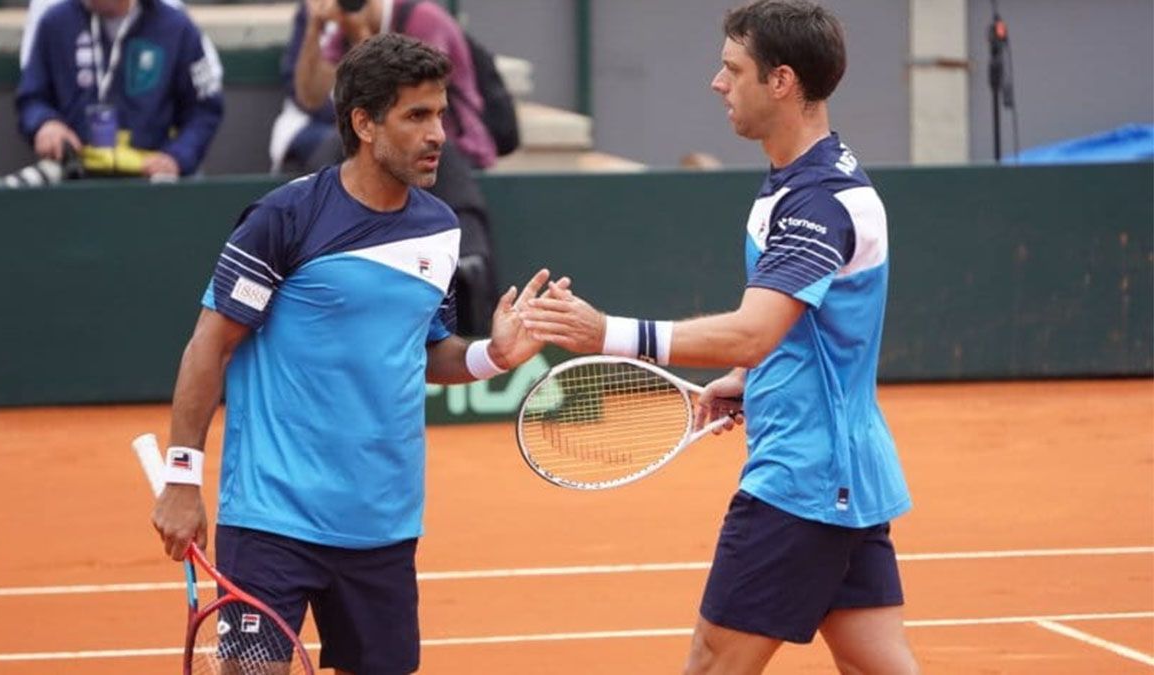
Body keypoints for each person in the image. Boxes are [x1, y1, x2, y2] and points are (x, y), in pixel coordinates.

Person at [520, 2, 919, 673]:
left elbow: (754, 330)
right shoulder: (804, 180)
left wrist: (605, 332)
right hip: (840, 471)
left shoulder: (818, 200)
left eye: (733, 69)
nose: (717, 82)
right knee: (873, 662)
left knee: (712, 661)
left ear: (781, 81)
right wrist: (750, 380)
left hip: (803, 479)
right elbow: (800, 331)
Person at [151, 34, 561, 674]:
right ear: (364, 123)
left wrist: (493, 356)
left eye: (441, 114)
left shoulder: (440, 228)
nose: (438, 134)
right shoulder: (284, 218)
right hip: (273, 516)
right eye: (416, 116)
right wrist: (182, 477)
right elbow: (211, 344)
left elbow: (428, 351)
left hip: (383, 525)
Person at [284, 0, 501, 336]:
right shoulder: (341, 24)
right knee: (328, 148)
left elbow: (408, 96)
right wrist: (315, 30)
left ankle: (468, 286)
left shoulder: (424, 18)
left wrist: (361, 36)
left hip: (461, 149)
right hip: (387, 146)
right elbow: (311, 97)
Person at [13, 0, 223, 182]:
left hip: (152, 179)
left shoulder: (176, 27)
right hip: (74, 175)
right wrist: (45, 124)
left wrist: (176, 157)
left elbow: (204, 109)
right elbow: (32, 98)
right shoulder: (56, 22)